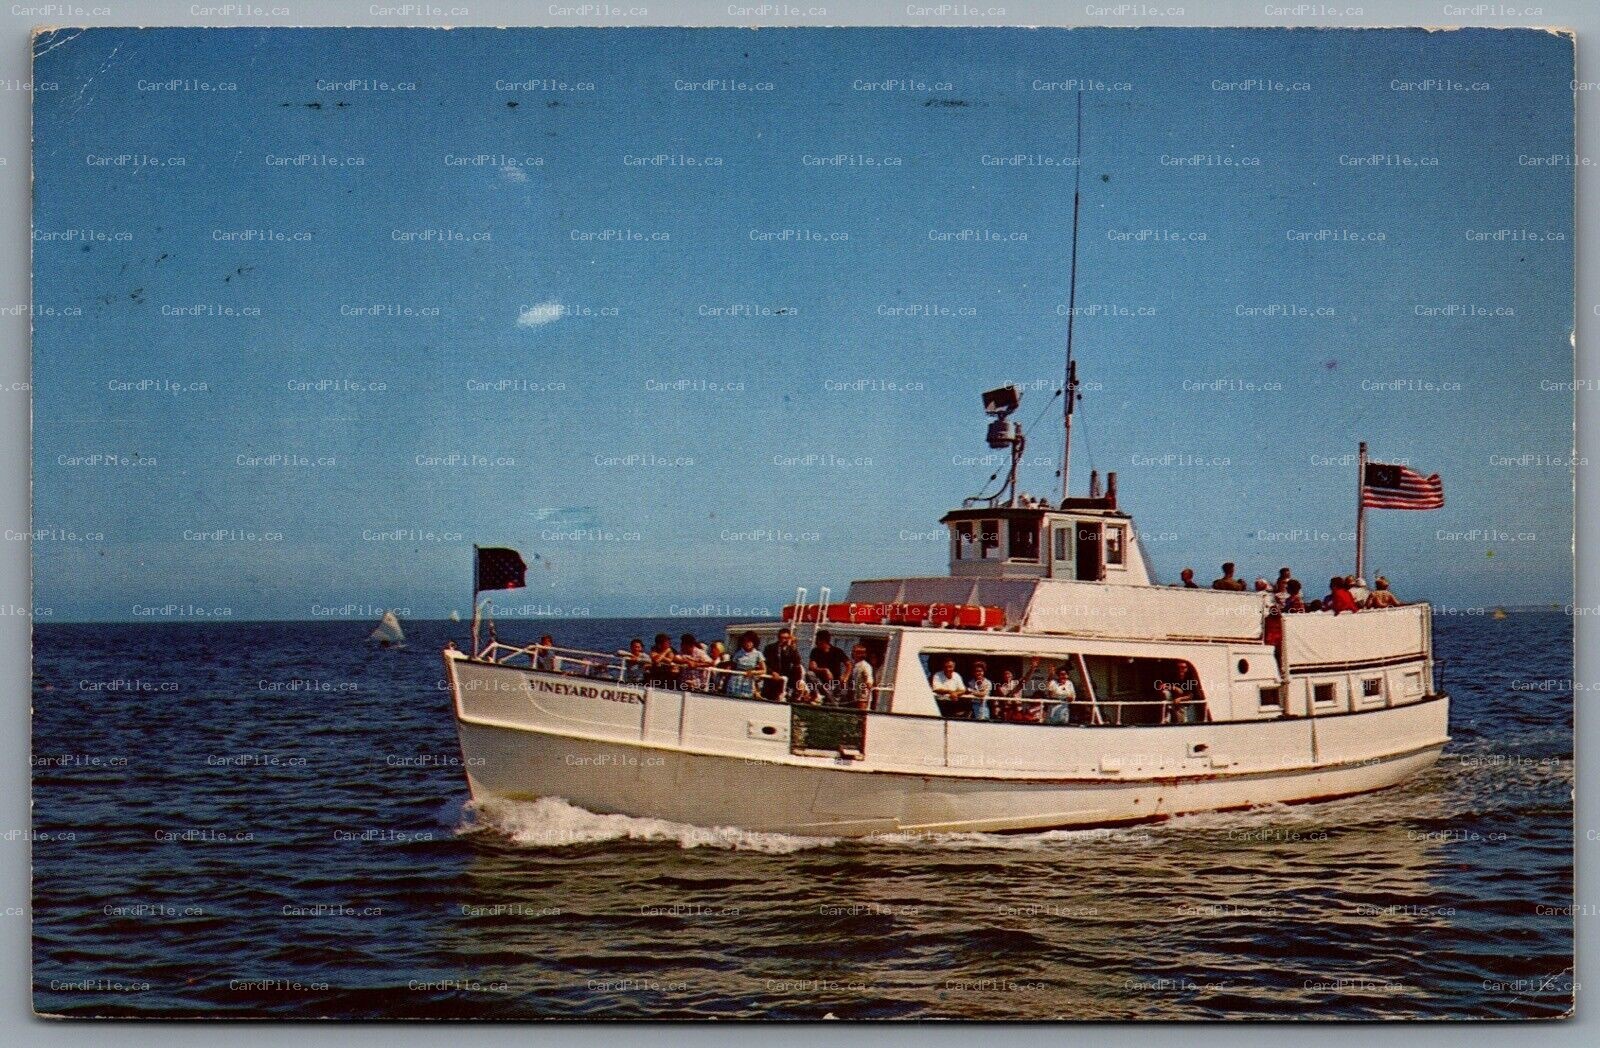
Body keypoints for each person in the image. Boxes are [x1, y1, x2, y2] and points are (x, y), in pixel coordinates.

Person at [763, 628, 807, 702]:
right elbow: (764, 663)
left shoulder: (790, 649)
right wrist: (772, 672)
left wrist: (793, 647)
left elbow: (797, 662)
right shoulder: (770, 648)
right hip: (773, 676)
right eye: (781, 638)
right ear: (778, 637)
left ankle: (794, 693)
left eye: (786, 638)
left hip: (786, 676)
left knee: (797, 668)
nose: (783, 640)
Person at [808, 629, 850, 701]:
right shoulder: (815, 651)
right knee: (809, 674)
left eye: (817, 640)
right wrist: (824, 670)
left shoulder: (837, 651)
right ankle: (817, 696)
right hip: (820, 682)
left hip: (835, 682)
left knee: (843, 689)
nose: (815, 642)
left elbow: (848, 665)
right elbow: (812, 667)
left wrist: (845, 677)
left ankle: (834, 699)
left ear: (823, 641)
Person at [726, 631, 765, 699]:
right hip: (736, 680)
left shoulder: (758, 654)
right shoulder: (738, 653)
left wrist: (753, 672)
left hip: (748, 681)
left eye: (750, 641)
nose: (748, 643)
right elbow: (732, 667)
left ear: (754, 642)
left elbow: (764, 670)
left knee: (745, 698)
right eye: (746, 641)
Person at [847, 643, 876, 710]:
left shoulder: (865, 666)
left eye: (855, 652)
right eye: (853, 651)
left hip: (862, 698)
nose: (852, 653)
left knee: (861, 716)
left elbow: (869, 682)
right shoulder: (855, 665)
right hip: (855, 696)